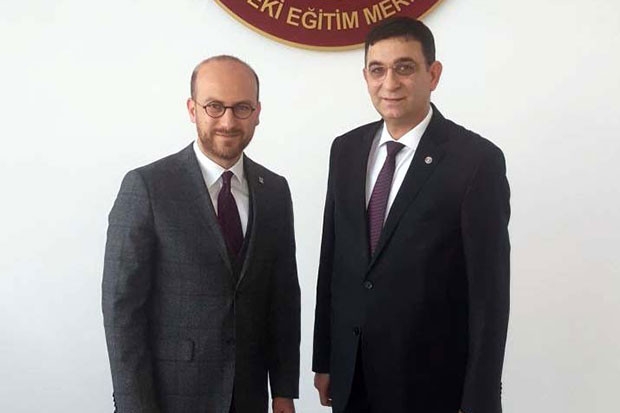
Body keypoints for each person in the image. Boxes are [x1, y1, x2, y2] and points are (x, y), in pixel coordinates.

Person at [312, 17, 510, 413]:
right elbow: (333, 260)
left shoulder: (475, 162)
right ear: (365, 77)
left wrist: (480, 400)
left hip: (432, 385)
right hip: (352, 377)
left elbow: (490, 298)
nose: (390, 83)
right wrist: (325, 358)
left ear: (433, 74)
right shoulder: (345, 150)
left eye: (404, 68)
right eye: (377, 70)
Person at [102, 55, 300, 413]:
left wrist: (283, 389)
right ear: (192, 109)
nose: (228, 121)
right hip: (169, 397)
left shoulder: (274, 190)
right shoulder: (147, 187)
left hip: (249, 396)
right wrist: (134, 406)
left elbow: (283, 297)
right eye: (214, 107)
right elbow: (122, 310)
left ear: (257, 112)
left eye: (241, 108)